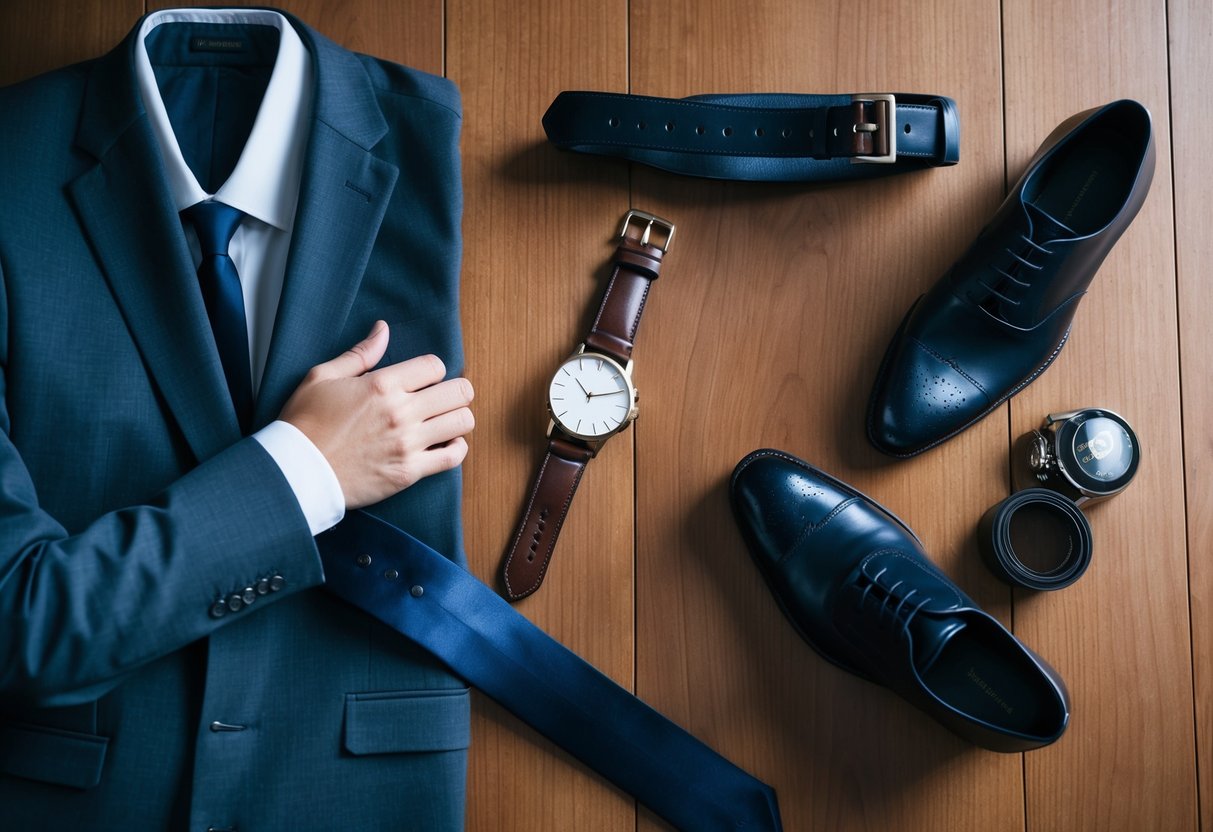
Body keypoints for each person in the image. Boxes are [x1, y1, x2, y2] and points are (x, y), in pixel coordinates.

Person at [0, 7, 477, 830]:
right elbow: (19, 621)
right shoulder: (10, 158)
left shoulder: (414, 134)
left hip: (357, 781)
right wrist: (305, 474)